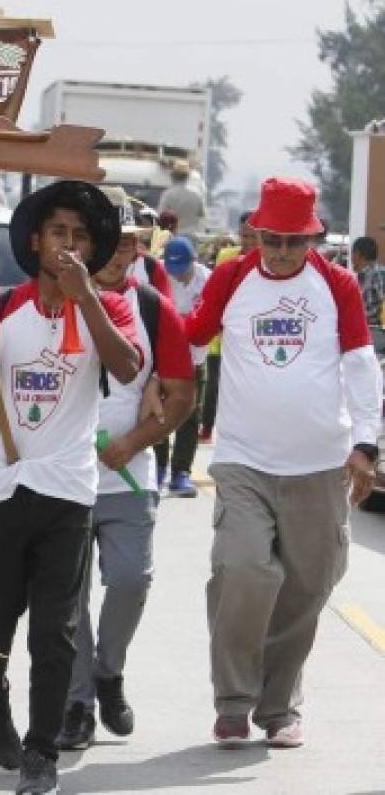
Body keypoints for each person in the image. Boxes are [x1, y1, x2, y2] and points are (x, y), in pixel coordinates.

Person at [0, 180, 142, 795]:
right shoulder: (3, 303)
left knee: (54, 634)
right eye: (58, 233)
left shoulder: (106, 306)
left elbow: (125, 367)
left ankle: (42, 752)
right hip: (2, 489)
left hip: (66, 493)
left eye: (81, 237)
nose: (68, 244)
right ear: (36, 242)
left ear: (91, 250)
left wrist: (86, 295)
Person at [184, 177, 382, 749]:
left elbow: (360, 364)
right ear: (256, 233)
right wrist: (160, 385)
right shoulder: (231, 277)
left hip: (319, 465)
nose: (281, 252)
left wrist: (365, 446)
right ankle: (232, 701)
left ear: (313, 239)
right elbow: (192, 340)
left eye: (295, 242)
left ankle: (278, 708)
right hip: (245, 460)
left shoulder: (337, 284)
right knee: (243, 568)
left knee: (303, 588)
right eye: (272, 239)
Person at [56, 189, 194, 751]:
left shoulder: (154, 309)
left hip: (129, 475)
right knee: (69, 597)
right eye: (113, 242)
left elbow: (183, 394)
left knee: (131, 580)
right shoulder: (55, 300)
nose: (122, 254)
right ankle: (77, 703)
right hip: (63, 477)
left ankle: (108, 672)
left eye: (132, 244)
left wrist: (136, 438)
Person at [153, 236, 210, 496]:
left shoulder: (207, 279)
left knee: (190, 415)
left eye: (182, 269)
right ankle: (159, 466)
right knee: (160, 412)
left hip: (196, 358)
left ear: (193, 262)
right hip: (165, 358)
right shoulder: (160, 275)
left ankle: (181, 472)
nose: (176, 275)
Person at [201, 212, 256, 441]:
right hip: (220, 334)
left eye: (251, 236)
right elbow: (215, 294)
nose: (246, 241)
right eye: (243, 235)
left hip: (251, 339)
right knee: (213, 384)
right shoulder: (227, 256)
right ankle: (207, 428)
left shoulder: (267, 264)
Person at [157, 159, 205, 239]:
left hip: (173, 237)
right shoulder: (196, 194)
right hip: (191, 237)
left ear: (173, 176)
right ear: (187, 176)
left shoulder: (168, 194)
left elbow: (161, 215)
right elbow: (202, 215)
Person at [351, 236, 384, 327]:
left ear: (357, 254)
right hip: (363, 327)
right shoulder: (361, 275)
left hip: (376, 330)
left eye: (352, 253)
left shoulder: (377, 274)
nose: (351, 258)